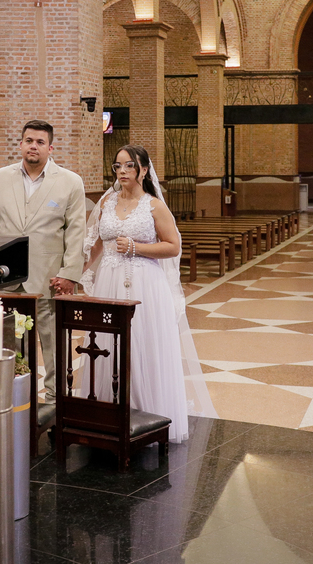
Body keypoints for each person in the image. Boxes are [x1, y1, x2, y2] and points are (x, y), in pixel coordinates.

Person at [82, 145, 211, 444]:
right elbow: (96, 245)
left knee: (142, 343)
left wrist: (136, 248)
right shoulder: (106, 202)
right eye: (118, 166)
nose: (122, 171)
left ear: (143, 170)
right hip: (109, 282)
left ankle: (148, 414)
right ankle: (108, 413)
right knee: (106, 345)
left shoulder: (154, 206)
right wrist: (78, 273)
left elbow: (173, 246)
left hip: (145, 284)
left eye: (129, 165)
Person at [0, 120, 86, 405]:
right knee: (11, 345)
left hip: (48, 280)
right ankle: (17, 400)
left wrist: (69, 274)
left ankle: (55, 401)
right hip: (6, 279)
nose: (33, 146)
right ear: (21, 144)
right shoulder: (0, 178)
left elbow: (76, 232)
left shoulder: (70, 182)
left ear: (50, 148)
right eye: (29, 141)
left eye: (40, 142)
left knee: (52, 345)